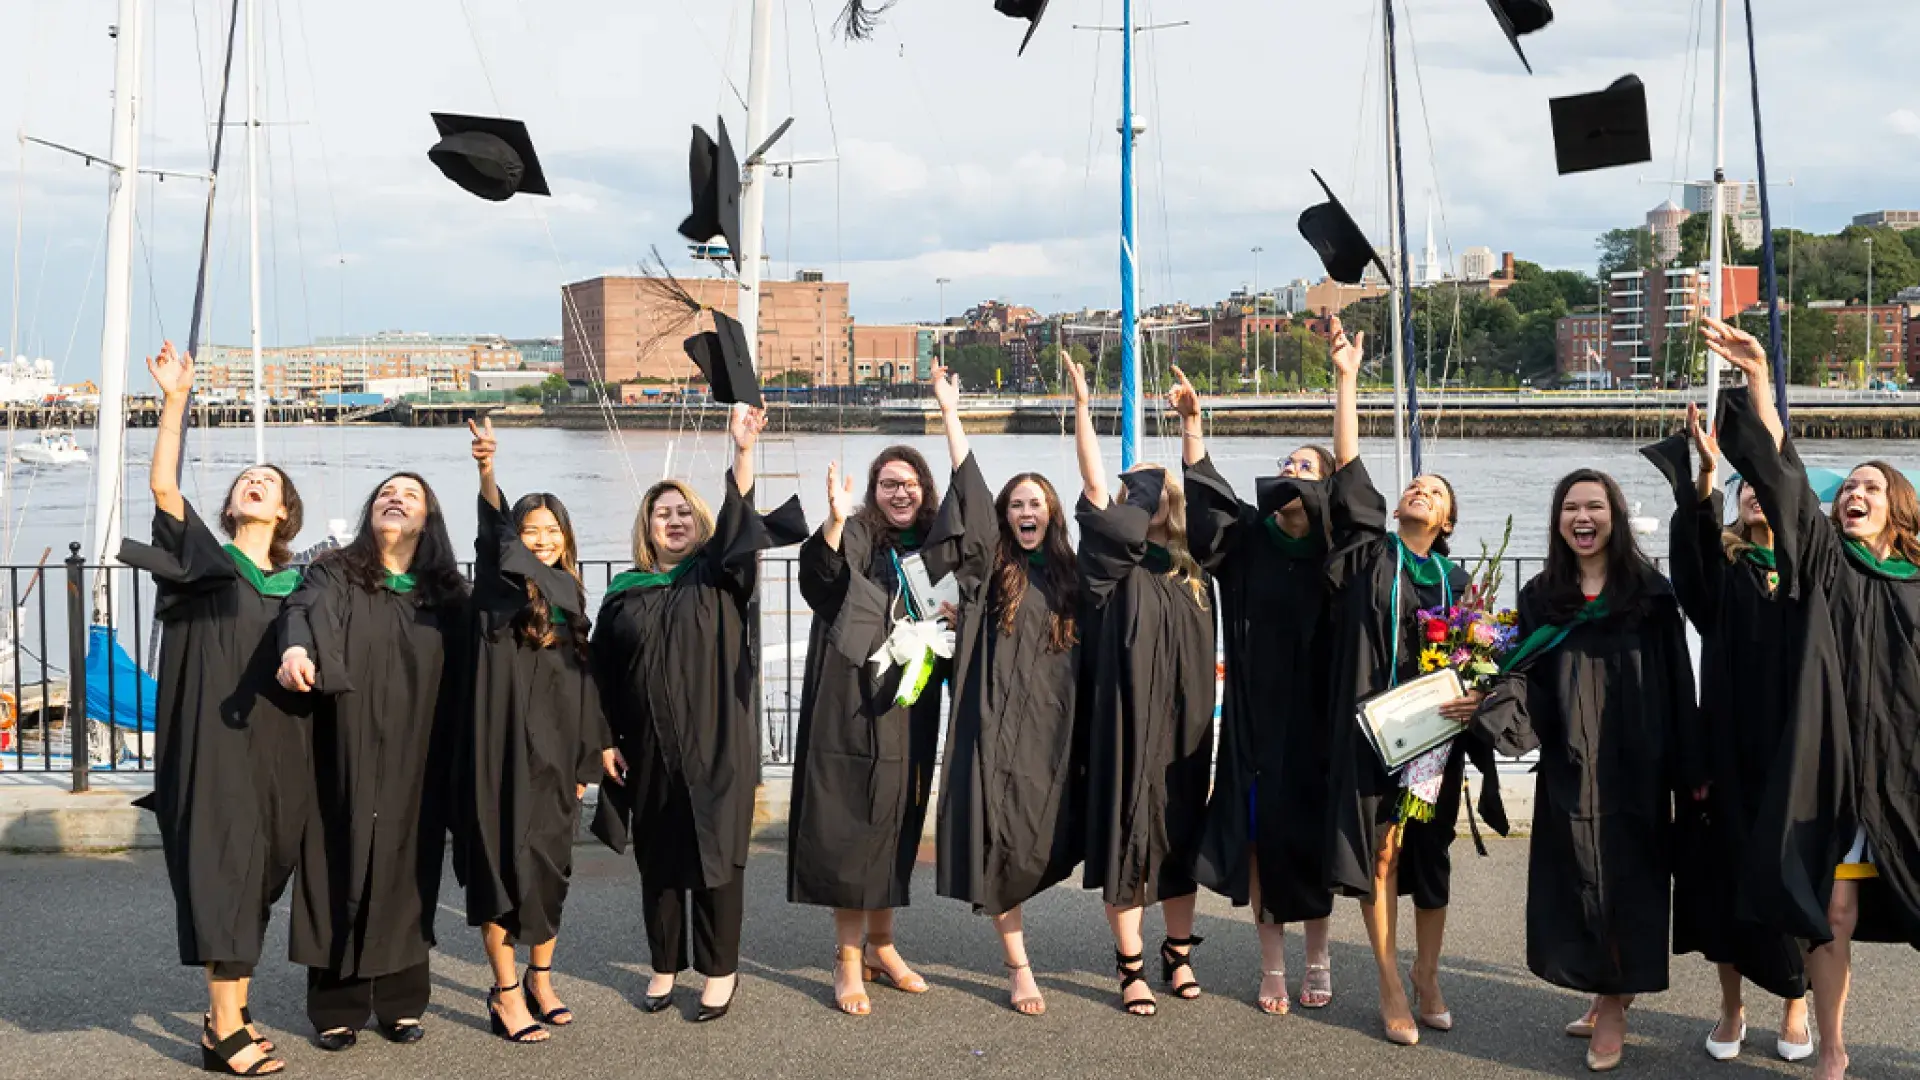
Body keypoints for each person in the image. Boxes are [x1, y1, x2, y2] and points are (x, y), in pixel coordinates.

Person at [1704, 316, 1920, 1080]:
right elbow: (1786, 481)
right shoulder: (1827, 566)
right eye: (1850, 487)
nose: (1855, 494)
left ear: (1898, 509)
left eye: (1871, 487)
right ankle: (1831, 1045)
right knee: (1833, 915)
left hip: (1906, 771)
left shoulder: (1918, 586)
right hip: (1834, 770)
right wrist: (1762, 383)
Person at [1461, 468, 1704, 1073]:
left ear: (1615, 517)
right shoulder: (1544, 595)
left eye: (1595, 506)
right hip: (1571, 759)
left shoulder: (1650, 593)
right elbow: (1527, 674)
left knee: (1631, 879)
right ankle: (1603, 987)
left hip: (1637, 762)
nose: (1583, 518)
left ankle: (1615, 1007)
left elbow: (1679, 679)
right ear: (1558, 520)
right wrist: (1490, 702)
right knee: (1578, 873)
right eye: (1571, 507)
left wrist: (1691, 764)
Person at [117, 342, 306, 1076]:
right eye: (246, 480)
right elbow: (165, 487)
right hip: (213, 748)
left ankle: (228, 1009)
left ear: (285, 510)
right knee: (224, 875)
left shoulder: (299, 583)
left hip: (279, 755)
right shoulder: (206, 562)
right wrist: (174, 400)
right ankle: (224, 1029)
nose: (256, 484)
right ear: (231, 506)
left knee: (263, 874)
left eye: (270, 481)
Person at [1321, 317, 1506, 1046]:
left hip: (1435, 741)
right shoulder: (1372, 553)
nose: (1419, 490)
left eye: (1433, 489)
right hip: (1376, 731)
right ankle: (1391, 981)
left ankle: (1429, 974)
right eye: (1414, 486)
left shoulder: (1457, 579)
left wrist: (1477, 690)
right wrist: (1346, 380)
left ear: (1449, 516)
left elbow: (1480, 657)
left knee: (1427, 853)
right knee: (1382, 850)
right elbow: (1347, 469)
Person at [591, 405, 805, 1023]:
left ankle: (719, 971)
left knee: (716, 860)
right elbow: (600, 676)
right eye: (663, 513)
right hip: (649, 746)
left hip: (718, 745)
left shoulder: (720, 575)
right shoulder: (624, 594)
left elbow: (741, 525)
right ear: (647, 527)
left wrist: (741, 452)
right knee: (656, 859)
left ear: (700, 522)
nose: (675, 520)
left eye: (684, 512)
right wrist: (604, 739)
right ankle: (665, 965)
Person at [1642, 404, 1812, 1062]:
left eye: (1759, 486)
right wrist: (1708, 477)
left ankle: (1797, 1005)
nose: (1753, 495)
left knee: (1796, 880)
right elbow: (1692, 560)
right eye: (1744, 490)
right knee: (1722, 883)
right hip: (1726, 749)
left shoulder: (1805, 573)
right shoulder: (1726, 574)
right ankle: (1732, 1006)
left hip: (1793, 751)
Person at [276, 472, 468, 1051]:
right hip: (345, 741)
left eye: (410, 496)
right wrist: (294, 648)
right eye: (387, 492)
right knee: (338, 861)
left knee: (409, 871)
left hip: (419, 750)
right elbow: (300, 610)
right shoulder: (336, 572)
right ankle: (337, 1005)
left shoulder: (445, 595)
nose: (396, 499)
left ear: (428, 518)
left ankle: (401, 1001)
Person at [1174, 365, 1338, 1017]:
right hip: (1258, 716)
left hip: (1322, 717)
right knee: (1261, 838)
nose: (1289, 469)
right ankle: (1272, 964)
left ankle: (1319, 957)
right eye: (1284, 461)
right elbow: (1206, 504)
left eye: (1305, 463)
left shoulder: (1341, 550)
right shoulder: (1248, 539)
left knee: (1317, 841)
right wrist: (1192, 425)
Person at [928, 364, 1085, 1017]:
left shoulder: (1077, 577)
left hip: (1056, 736)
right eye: (1016, 503)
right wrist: (949, 412)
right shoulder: (995, 567)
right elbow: (968, 485)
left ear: (1052, 512)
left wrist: (1080, 405)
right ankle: (1019, 966)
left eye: (1036, 502)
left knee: (1047, 841)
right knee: (996, 847)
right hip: (994, 729)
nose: (1026, 511)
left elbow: (1104, 500)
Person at [1066, 357, 1216, 1018]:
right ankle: (1130, 968)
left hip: (1185, 730)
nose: (1133, 500)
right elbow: (1094, 489)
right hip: (1125, 725)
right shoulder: (1113, 566)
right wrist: (1081, 406)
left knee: (1180, 837)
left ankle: (1177, 954)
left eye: (1144, 493)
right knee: (1127, 838)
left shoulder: (1196, 573)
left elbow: (1206, 498)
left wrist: (1192, 428)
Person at [789, 439, 960, 1015]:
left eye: (909, 483)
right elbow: (823, 580)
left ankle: (883, 946)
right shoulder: (860, 535)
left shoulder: (937, 546)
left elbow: (950, 613)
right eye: (888, 483)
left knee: (900, 820)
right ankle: (845, 957)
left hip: (914, 703)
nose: (900, 492)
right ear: (873, 490)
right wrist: (834, 525)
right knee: (856, 824)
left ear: (925, 489)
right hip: (857, 704)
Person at [456, 419, 612, 1044]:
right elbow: (491, 535)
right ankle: (503, 992)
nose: (541, 539)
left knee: (549, 871)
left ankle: (541, 978)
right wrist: (488, 472)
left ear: (567, 540)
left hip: (553, 762)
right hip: (498, 758)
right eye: (530, 531)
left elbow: (583, 685)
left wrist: (586, 763)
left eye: (552, 531)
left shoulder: (572, 596)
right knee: (500, 872)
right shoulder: (498, 593)